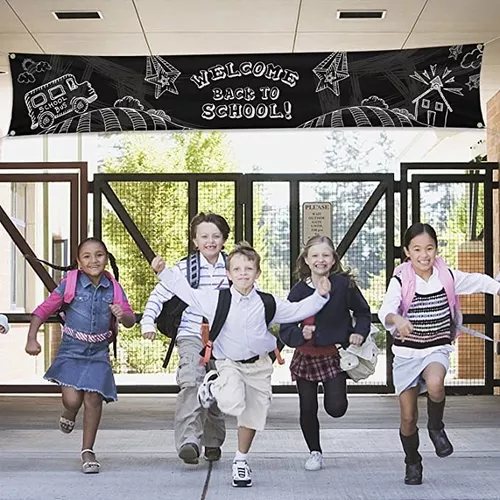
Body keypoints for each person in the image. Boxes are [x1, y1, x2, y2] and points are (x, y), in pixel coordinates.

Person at [151, 241, 331, 487]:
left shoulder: (268, 303)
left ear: (257, 273)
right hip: (229, 364)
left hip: (260, 366)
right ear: (228, 274)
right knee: (232, 400)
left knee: (252, 416)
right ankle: (212, 386)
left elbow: (298, 310)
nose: (243, 273)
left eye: (249, 268)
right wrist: (163, 272)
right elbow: (186, 292)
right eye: (237, 269)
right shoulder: (217, 300)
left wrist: (320, 296)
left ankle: (241, 461)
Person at [378, 222, 500, 486]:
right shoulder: (401, 279)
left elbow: (475, 280)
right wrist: (398, 320)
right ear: (407, 252)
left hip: (436, 347)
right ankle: (412, 461)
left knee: (435, 383)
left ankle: (436, 427)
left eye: (430, 248)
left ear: (436, 249)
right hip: (407, 355)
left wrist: (496, 287)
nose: (424, 255)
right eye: (418, 249)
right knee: (408, 418)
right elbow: (385, 309)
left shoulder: (446, 276)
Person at [25, 237, 135, 474]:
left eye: (99, 254)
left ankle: (88, 450)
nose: (93, 260)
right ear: (78, 261)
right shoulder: (69, 285)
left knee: (93, 399)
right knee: (73, 400)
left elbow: (130, 320)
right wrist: (32, 337)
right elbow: (43, 310)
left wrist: (122, 314)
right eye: (87, 256)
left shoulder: (114, 288)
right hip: (72, 350)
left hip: (98, 352)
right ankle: (69, 411)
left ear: (106, 258)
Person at [141, 212, 230, 464]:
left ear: (224, 239)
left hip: (225, 338)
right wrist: (147, 321)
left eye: (216, 236)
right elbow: (158, 296)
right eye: (204, 236)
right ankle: (189, 440)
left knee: (217, 390)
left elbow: (251, 297)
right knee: (191, 382)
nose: (210, 241)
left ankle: (213, 440)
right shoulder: (184, 268)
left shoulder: (234, 266)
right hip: (192, 335)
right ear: (195, 240)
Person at [279, 235, 371, 471]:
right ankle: (315, 452)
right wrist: (301, 336)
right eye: (315, 256)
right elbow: (286, 326)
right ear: (307, 260)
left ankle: (339, 391)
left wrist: (359, 331)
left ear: (333, 259)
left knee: (336, 408)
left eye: (326, 255)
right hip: (305, 356)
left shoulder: (343, 285)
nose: (321, 260)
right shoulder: (299, 290)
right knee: (307, 407)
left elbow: (363, 312)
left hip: (335, 355)